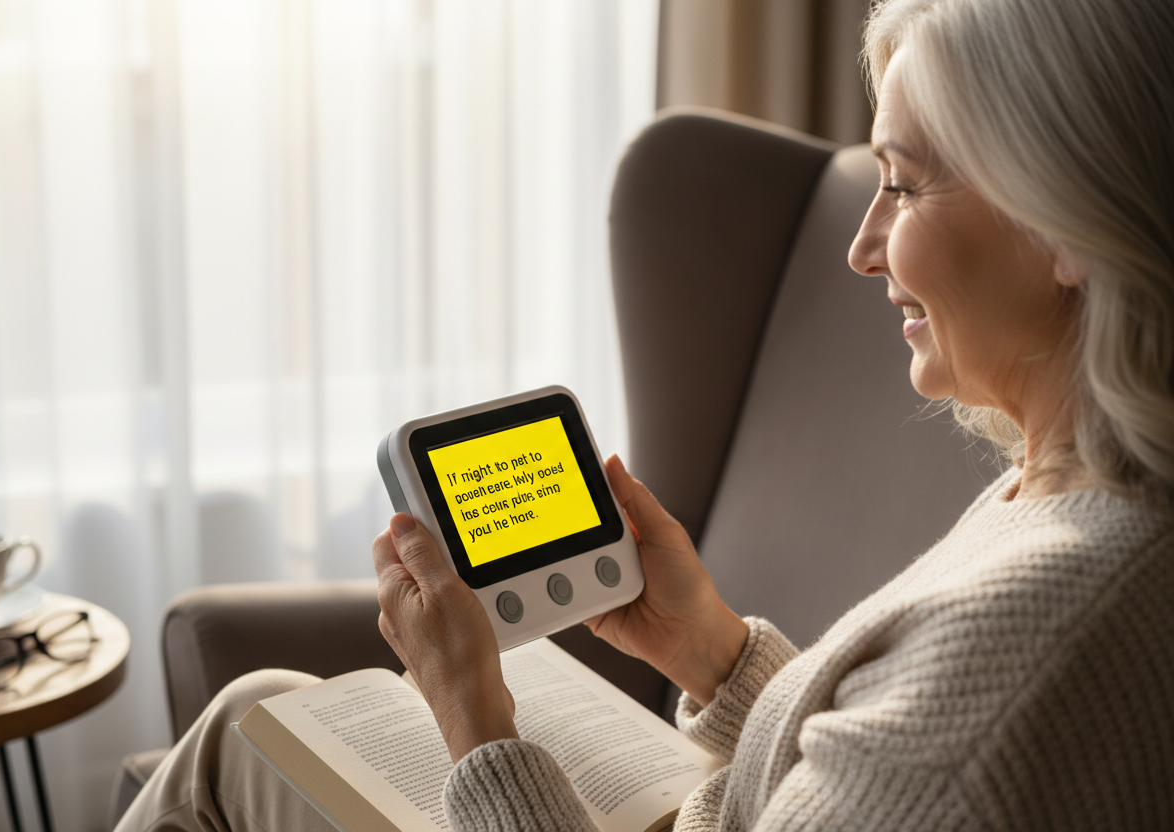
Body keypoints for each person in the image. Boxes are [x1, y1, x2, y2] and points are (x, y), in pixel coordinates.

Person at [116, 0, 1174, 829]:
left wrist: (478, 729)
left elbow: (937, 750)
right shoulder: (1082, 488)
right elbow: (877, 755)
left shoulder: (1034, 638)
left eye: (900, 184)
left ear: (1064, 221)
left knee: (244, 726)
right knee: (268, 699)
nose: (862, 247)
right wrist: (711, 650)